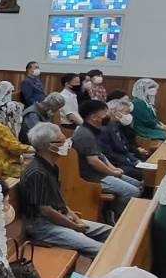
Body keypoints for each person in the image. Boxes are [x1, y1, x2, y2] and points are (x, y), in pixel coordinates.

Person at [19, 123, 112, 254]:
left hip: (59, 217)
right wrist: (74, 226)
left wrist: (76, 219)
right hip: (43, 226)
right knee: (100, 250)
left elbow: (58, 200)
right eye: (62, 141)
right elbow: (46, 211)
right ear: (48, 146)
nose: (66, 144)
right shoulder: (37, 172)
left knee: (110, 232)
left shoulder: (52, 166)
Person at [72, 99, 144, 212]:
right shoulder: (85, 134)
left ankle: (111, 210)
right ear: (93, 117)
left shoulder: (94, 130)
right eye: (104, 113)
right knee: (133, 192)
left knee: (139, 185)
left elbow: (101, 155)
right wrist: (111, 172)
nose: (107, 116)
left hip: (101, 173)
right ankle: (116, 215)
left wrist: (113, 168)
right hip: (93, 177)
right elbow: (93, 161)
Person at [0, 94, 30, 180]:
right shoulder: (0, 128)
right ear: (10, 114)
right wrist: (32, 148)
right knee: (31, 171)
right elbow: (14, 147)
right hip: (0, 166)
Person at [99, 96, 144, 177]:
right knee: (143, 174)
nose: (128, 115)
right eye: (126, 112)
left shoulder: (116, 125)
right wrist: (130, 162)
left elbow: (125, 147)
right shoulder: (104, 130)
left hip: (125, 160)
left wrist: (136, 161)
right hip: (115, 165)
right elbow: (109, 155)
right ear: (114, 112)